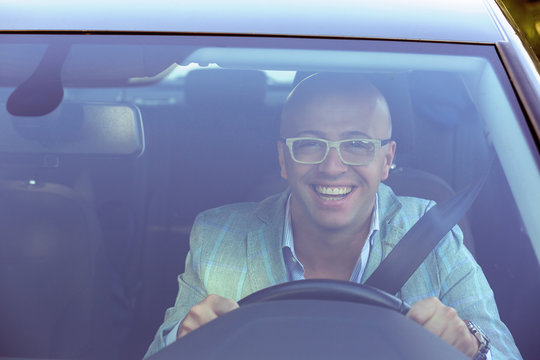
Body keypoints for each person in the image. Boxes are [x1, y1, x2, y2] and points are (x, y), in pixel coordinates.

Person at [144, 73, 521, 359]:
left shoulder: (434, 234)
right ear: (282, 159)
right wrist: (181, 339)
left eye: (357, 144)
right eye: (309, 143)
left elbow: (502, 349)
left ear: (386, 159)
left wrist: (473, 344)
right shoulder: (217, 237)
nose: (332, 166)